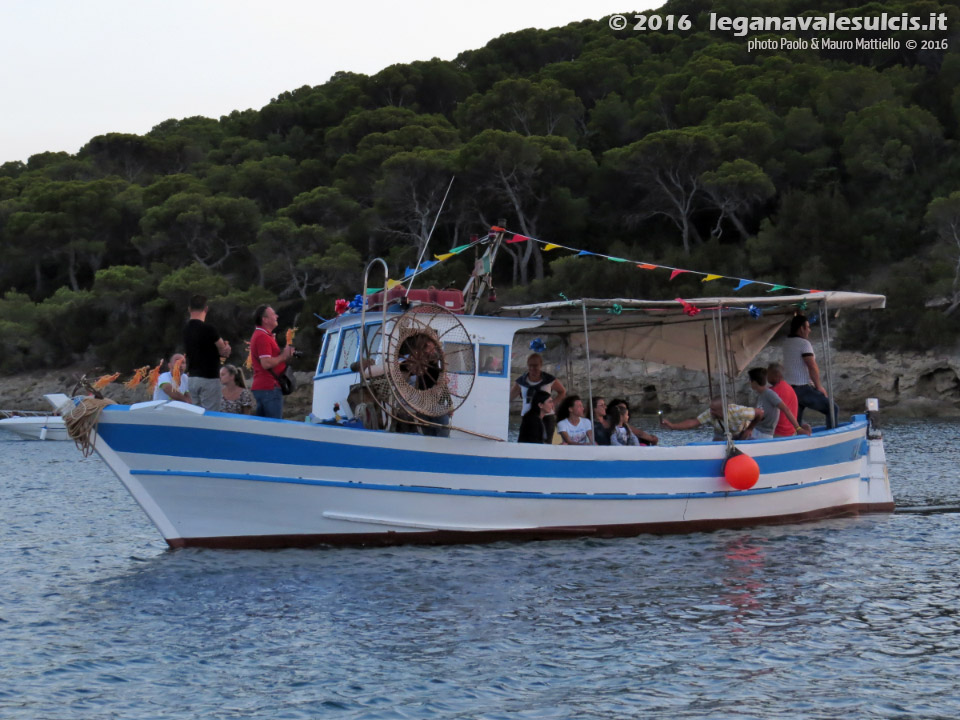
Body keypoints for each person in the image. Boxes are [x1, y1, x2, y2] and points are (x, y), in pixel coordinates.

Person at [782, 314, 840, 429]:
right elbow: (811, 366)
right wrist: (819, 386)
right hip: (802, 387)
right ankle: (832, 438)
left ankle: (798, 443)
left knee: (796, 423)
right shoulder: (804, 344)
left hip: (790, 389)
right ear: (801, 328)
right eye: (807, 327)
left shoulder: (787, 343)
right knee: (832, 409)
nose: (809, 330)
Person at [183, 295, 231, 412]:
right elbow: (223, 350)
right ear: (206, 309)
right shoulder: (209, 329)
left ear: (189, 309)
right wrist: (227, 348)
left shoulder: (185, 329)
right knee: (210, 415)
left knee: (194, 414)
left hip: (192, 378)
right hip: (209, 378)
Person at [399, 335, 451, 437]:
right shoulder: (425, 361)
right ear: (428, 344)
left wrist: (450, 404)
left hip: (426, 405)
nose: (435, 347)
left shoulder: (432, 361)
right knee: (440, 437)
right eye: (434, 345)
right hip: (431, 406)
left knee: (431, 437)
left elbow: (442, 384)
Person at [250, 304, 295, 419]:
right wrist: (284, 356)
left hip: (263, 387)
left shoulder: (263, 336)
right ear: (264, 319)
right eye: (273, 314)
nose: (277, 316)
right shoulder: (262, 337)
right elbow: (266, 363)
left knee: (263, 429)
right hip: (269, 387)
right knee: (274, 428)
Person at [510, 353, 567, 441]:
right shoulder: (521, 381)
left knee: (545, 444)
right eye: (530, 366)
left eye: (535, 366)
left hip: (546, 417)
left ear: (541, 365)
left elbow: (562, 392)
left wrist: (553, 403)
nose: (533, 369)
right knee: (525, 442)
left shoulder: (549, 379)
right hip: (527, 417)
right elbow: (509, 397)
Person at [746, 367, 810, 440]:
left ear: (754, 382)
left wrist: (798, 428)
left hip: (764, 434)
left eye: (750, 380)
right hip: (757, 431)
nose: (749, 382)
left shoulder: (770, 394)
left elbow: (786, 409)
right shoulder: (761, 395)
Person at [660, 397, 760, 441]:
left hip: (741, 432)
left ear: (723, 410)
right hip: (722, 434)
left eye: (714, 410)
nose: (711, 412)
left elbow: (760, 413)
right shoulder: (710, 413)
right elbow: (693, 422)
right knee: (716, 441)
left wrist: (750, 429)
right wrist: (673, 426)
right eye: (711, 409)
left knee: (752, 442)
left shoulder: (738, 411)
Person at [768, 363, 803, 437]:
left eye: (768, 374)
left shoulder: (774, 391)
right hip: (791, 431)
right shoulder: (789, 388)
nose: (767, 377)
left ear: (776, 375)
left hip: (778, 433)